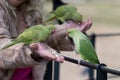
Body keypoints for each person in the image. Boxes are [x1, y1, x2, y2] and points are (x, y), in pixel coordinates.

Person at [0, 0, 92, 80]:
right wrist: (31, 51)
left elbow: (44, 39)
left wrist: (70, 32)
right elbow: (2, 48)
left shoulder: (31, 13)